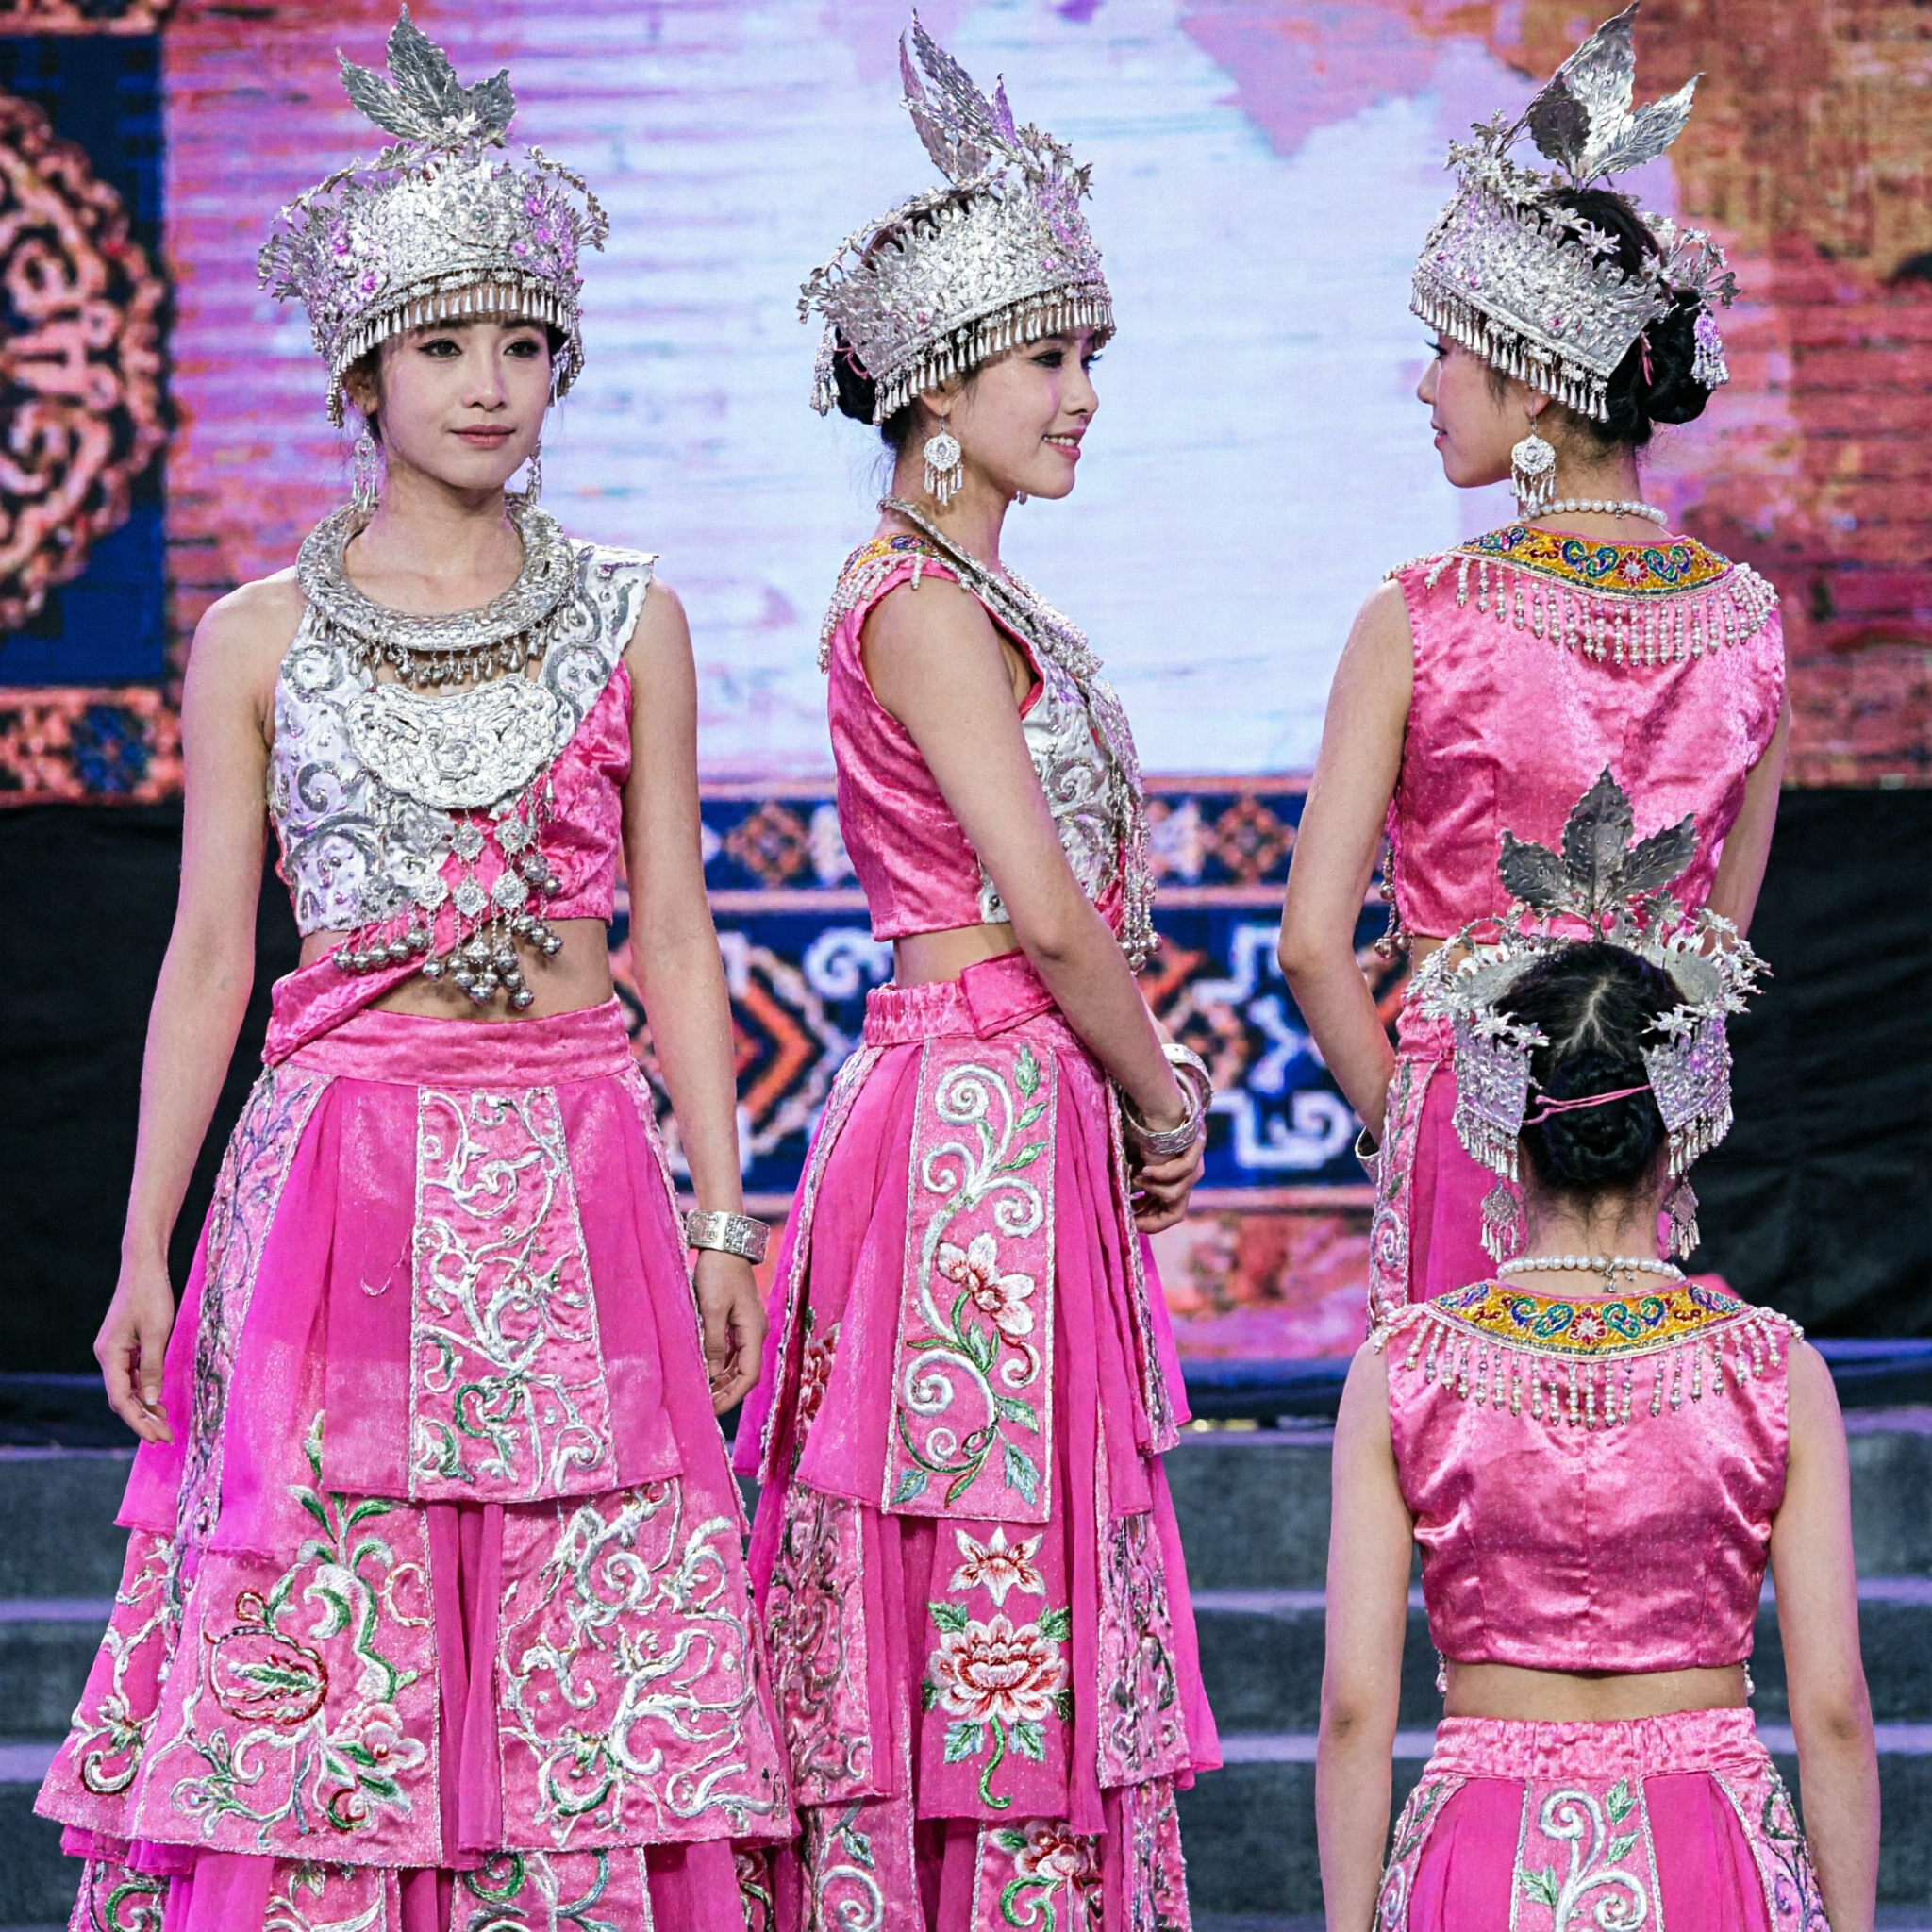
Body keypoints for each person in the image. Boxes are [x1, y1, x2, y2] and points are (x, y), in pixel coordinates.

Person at [36, 18, 789, 1930]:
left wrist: (721, 1210)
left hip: (577, 1172)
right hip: (334, 1186)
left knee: (583, 1664)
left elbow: (678, 935)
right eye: (445, 344)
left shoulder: (637, 616)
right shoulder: (255, 636)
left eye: (521, 343)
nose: (487, 385)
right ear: (363, 369)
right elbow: (211, 952)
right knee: (335, 1658)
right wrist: (142, 1240)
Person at [731, 22, 1219, 1930]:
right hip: (973, 1127)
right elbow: (1040, 904)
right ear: (940, 387)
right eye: (1051, 358)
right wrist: (1160, 1088)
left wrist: (1118, 1090)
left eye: (1090, 355)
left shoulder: (974, 594)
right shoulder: (924, 601)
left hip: (1009, 1116)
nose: (1084, 394)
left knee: (1018, 1525)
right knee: (977, 1529)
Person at [1277, 4, 1790, 1322]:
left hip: (1470, 1130)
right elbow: (1717, 948)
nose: (1423, 385)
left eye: (1447, 349)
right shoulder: (1746, 622)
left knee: (1454, 1494)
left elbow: (1309, 949)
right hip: (1640, 1145)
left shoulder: (1420, 616)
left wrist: (1423, 1118)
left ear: (1538, 385)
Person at [1316, 773, 1878, 1930]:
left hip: (1478, 1849)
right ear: (1680, 1121)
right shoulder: (1772, 1370)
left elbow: (1353, 1711)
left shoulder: (1405, 1365)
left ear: (1498, 1120)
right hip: (1708, 1849)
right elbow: (1829, 1708)